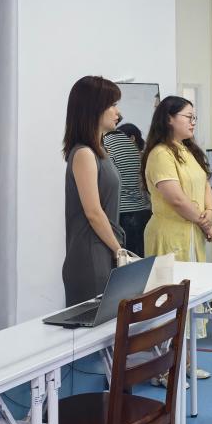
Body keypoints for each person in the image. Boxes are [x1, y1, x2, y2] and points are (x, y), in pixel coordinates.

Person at [143, 96, 212, 377]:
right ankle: (163, 370)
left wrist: (209, 212)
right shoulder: (161, 153)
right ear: (169, 119)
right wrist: (204, 222)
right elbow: (175, 198)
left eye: (194, 117)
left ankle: (183, 363)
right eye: (188, 116)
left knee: (187, 298)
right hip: (169, 234)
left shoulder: (188, 150)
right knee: (168, 302)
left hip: (191, 232)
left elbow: (205, 185)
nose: (193, 122)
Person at [61, 76, 125, 306]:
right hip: (91, 255)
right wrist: (119, 251)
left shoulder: (100, 151)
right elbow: (93, 212)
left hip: (104, 249)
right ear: (94, 108)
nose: (117, 112)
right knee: (97, 321)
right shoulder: (84, 154)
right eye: (112, 105)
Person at [103, 123, 150, 258]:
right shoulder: (137, 150)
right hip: (144, 211)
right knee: (140, 258)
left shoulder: (107, 144)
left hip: (122, 213)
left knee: (124, 260)